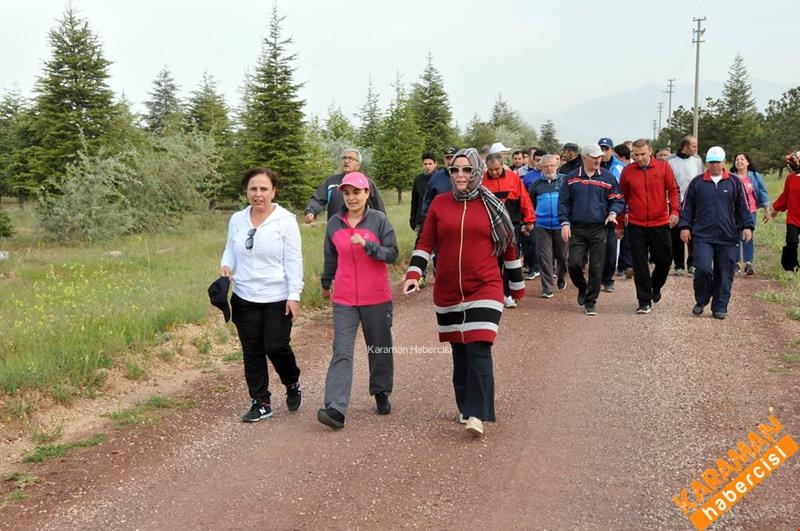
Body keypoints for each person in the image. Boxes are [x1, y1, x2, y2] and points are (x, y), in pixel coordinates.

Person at [403, 148, 524, 438]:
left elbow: (508, 244)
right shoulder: (440, 203)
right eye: (454, 170)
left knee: (479, 346)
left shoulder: (491, 204)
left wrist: (516, 284)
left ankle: (477, 413)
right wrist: (413, 274)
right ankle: (465, 404)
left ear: (477, 171)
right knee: (460, 350)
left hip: (485, 286)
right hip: (447, 288)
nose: (460, 175)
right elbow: (425, 242)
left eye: (467, 169)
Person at [220, 168, 303, 422]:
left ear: (273, 192)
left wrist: (294, 294)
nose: (258, 194)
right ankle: (261, 402)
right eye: (253, 189)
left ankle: (292, 382)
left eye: (264, 189)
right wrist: (226, 265)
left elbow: (293, 259)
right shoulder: (237, 219)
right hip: (244, 296)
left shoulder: (285, 220)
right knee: (252, 350)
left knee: (276, 346)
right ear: (246, 191)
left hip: (277, 296)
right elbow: (230, 249)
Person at [317, 172, 398, 430]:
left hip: (376, 297)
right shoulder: (334, 223)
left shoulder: (379, 220)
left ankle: (381, 392)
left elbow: (392, 254)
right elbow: (330, 255)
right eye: (347, 193)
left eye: (357, 192)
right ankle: (336, 409)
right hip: (344, 298)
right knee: (341, 351)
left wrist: (368, 245)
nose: (352, 198)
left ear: (367, 194)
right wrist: (326, 283)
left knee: (379, 348)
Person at [679, 146, 753, 320]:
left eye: (718, 162)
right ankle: (701, 299)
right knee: (702, 269)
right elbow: (687, 207)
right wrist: (684, 227)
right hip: (702, 236)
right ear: (706, 163)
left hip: (728, 235)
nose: (714, 165)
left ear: (724, 162)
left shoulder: (735, 182)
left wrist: (747, 226)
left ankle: (720, 306)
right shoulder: (697, 183)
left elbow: (744, 206)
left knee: (725, 272)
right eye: (711, 162)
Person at [558, 144, 625, 316]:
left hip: (599, 227)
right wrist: (564, 223)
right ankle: (582, 287)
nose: (598, 160)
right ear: (584, 157)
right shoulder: (571, 178)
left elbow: (617, 199)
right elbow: (563, 202)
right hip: (577, 228)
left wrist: (612, 213)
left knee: (596, 266)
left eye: (599, 157)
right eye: (594, 157)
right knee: (573, 264)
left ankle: (591, 301)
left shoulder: (608, 177)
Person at [618, 139, 680, 314]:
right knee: (639, 264)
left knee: (665, 259)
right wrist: (620, 223)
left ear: (650, 151)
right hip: (636, 224)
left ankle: (655, 286)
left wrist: (675, 211)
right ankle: (644, 300)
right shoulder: (628, 171)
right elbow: (622, 198)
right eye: (635, 155)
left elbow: (673, 190)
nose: (639, 158)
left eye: (642, 154)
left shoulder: (663, 167)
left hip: (660, 222)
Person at [483, 153, 536, 302]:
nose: (494, 172)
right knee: (494, 260)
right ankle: (497, 292)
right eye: (491, 170)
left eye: (497, 169)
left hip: (512, 225)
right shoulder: (481, 180)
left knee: (511, 259)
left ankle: (508, 293)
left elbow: (524, 199)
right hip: (490, 227)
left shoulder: (513, 178)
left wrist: (529, 220)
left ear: (502, 165)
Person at [304, 148, 385, 222]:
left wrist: (379, 225)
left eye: (350, 158)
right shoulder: (331, 181)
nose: (346, 161)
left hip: (362, 228)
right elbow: (318, 200)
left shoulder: (367, 183)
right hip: (336, 228)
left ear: (358, 165)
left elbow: (378, 208)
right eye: (344, 158)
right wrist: (311, 211)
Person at [528, 154, 567, 298]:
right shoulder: (536, 184)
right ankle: (547, 287)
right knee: (545, 257)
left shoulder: (565, 181)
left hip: (561, 225)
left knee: (562, 256)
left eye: (551, 166)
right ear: (540, 168)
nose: (549, 169)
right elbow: (530, 203)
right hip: (542, 226)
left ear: (557, 166)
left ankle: (561, 276)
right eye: (545, 166)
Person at [668, 136, 705, 275]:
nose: (696, 149)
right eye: (694, 146)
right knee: (676, 232)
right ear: (685, 146)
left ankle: (693, 263)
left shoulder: (697, 160)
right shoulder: (670, 161)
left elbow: (702, 178)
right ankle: (678, 264)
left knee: (693, 232)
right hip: (676, 201)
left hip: (694, 201)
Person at [732, 152, 770, 275]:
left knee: (748, 236)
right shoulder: (731, 177)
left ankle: (748, 263)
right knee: (735, 236)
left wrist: (767, 210)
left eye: (742, 159)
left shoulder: (755, 176)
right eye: (737, 160)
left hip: (750, 211)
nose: (739, 162)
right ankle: (735, 263)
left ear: (747, 162)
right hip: (734, 212)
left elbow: (763, 192)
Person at [598, 137, 627, 293]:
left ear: (612, 150)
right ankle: (596, 278)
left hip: (614, 212)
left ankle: (608, 280)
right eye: (601, 149)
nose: (603, 152)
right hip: (595, 213)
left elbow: (625, 191)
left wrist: (624, 211)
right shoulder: (591, 166)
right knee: (596, 249)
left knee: (611, 248)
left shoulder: (620, 167)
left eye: (606, 149)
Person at [770, 150, 800, 271]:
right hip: (793, 217)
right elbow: (785, 196)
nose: (790, 164)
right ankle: (790, 267)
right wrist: (775, 210)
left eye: (792, 162)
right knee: (791, 241)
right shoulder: (790, 178)